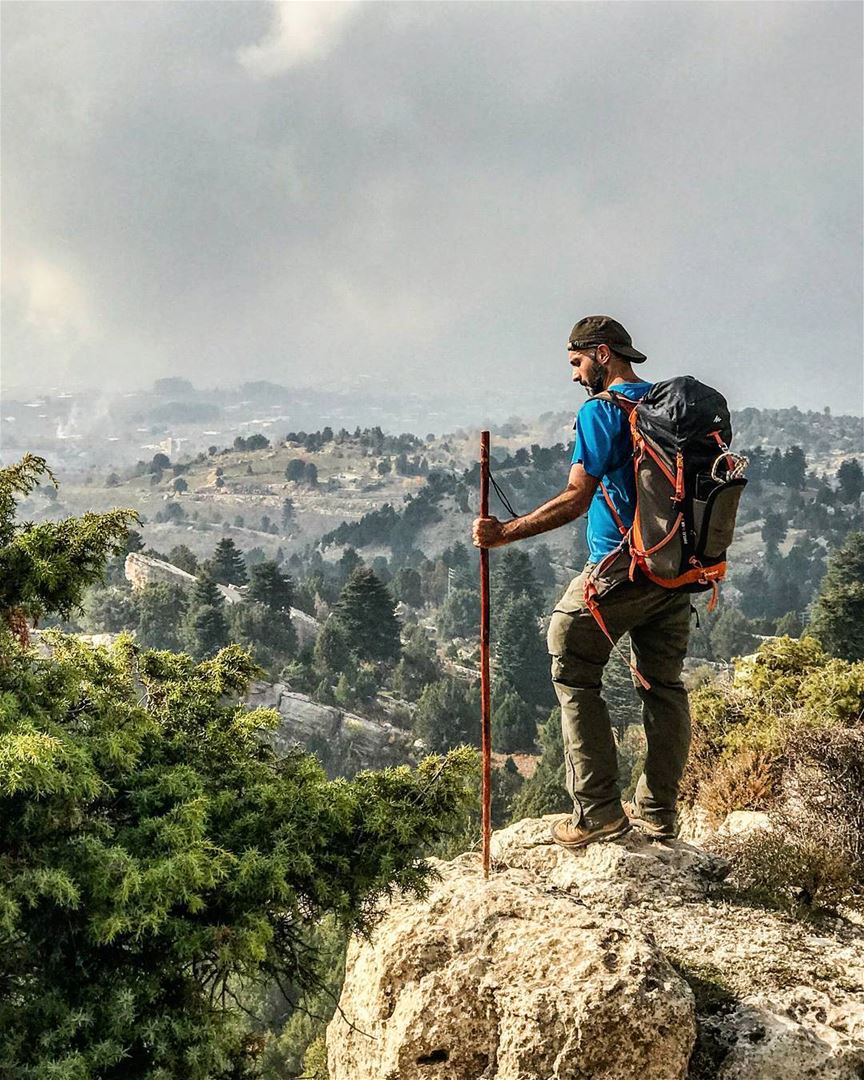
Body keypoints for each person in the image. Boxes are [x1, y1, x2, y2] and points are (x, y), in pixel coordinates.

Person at [472, 315, 691, 849]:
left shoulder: (601, 410)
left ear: (600, 352)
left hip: (621, 570)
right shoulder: (666, 407)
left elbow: (575, 499)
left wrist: (505, 533)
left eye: (576, 363)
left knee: (569, 657)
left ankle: (597, 813)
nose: (574, 376)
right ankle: (659, 814)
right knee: (664, 688)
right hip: (678, 572)